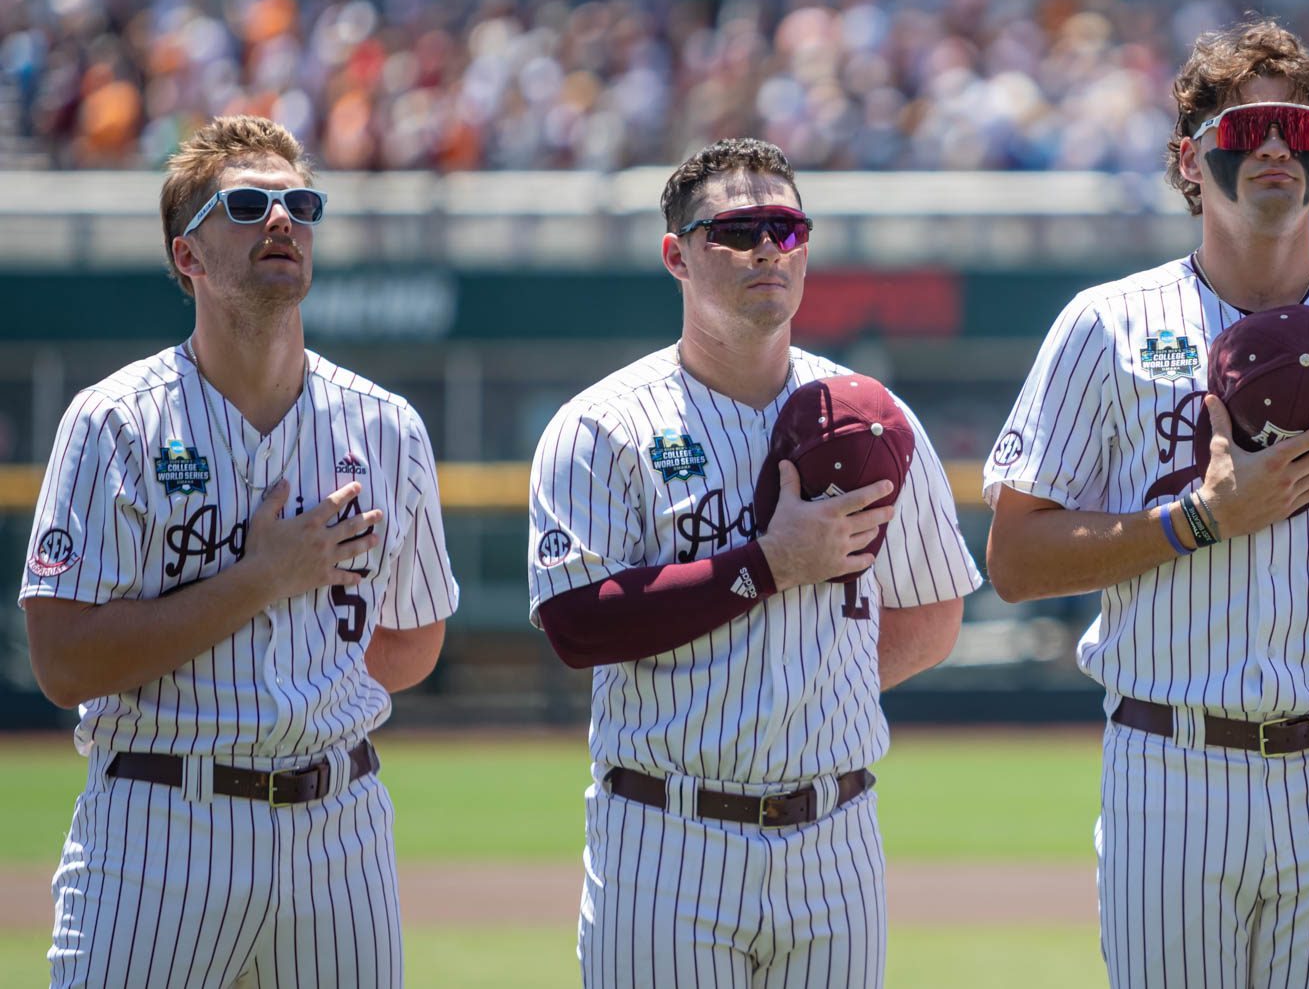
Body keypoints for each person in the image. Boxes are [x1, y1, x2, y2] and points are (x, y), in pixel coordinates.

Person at [982, 19, 1309, 988]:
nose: (1269, 146)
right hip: (1168, 755)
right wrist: (1199, 519)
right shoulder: (1105, 326)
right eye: (1243, 125)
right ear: (1187, 157)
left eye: (1296, 129)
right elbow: (1016, 560)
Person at [527, 137, 981, 988]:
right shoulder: (602, 425)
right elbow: (576, 625)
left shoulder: (873, 418)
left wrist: (795, 694)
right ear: (678, 254)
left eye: (786, 226)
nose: (768, 248)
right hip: (667, 831)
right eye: (736, 230)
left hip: (833, 833)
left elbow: (930, 615)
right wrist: (765, 567)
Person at [19, 114, 458, 988]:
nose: (282, 220)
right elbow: (63, 662)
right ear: (189, 257)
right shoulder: (115, 422)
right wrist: (262, 581)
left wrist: (304, 679)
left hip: (339, 829)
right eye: (250, 204)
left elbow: (412, 641)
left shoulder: (384, 424)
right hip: (159, 823)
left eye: (300, 203)